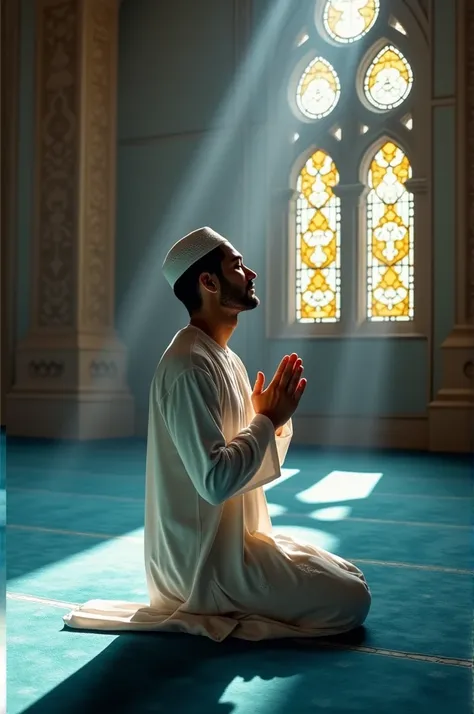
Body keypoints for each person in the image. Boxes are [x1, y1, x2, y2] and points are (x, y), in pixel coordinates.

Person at [63, 227, 371, 640]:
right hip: (202, 564)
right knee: (351, 600)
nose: (251, 272)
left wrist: (273, 420)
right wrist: (266, 421)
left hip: (236, 544)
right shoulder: (188, 365)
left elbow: (247, 464)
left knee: (350, 575)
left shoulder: (226, 358)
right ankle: (227, 610)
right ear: (208, 282)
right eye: (238, 266)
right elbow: (216, 481)